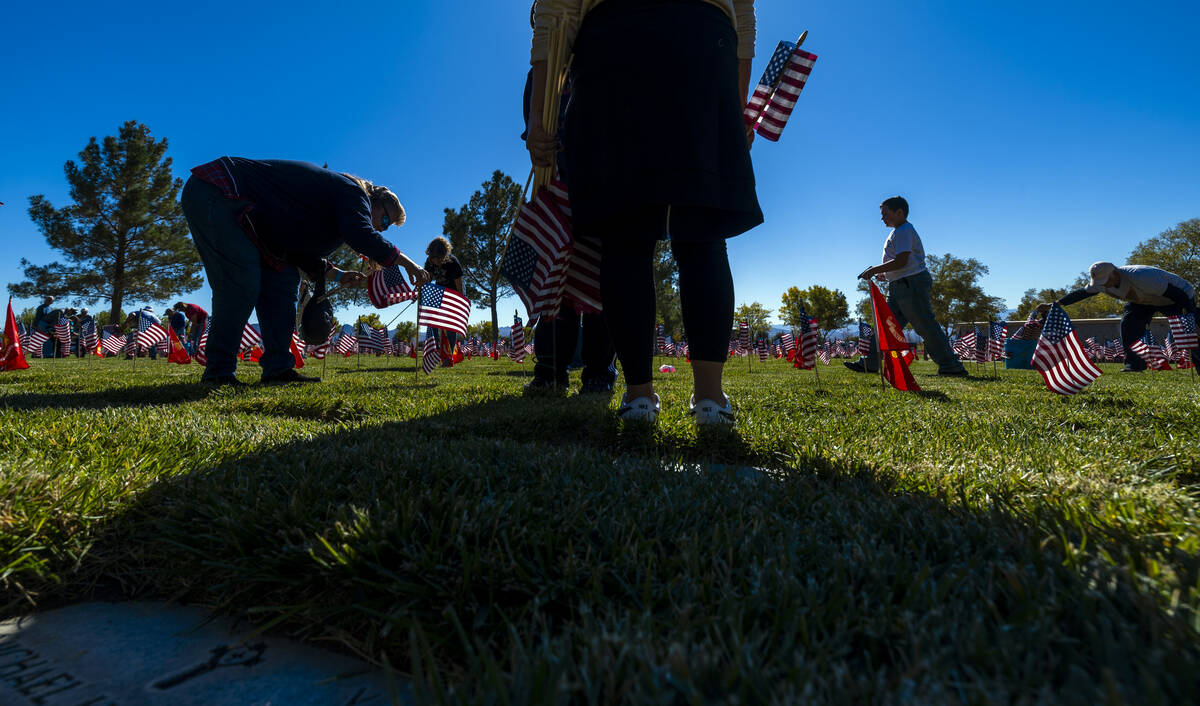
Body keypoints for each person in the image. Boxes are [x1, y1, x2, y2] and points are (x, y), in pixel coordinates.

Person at [527, 0, 761, 424]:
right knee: (698, 231)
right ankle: (708, 398)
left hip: (615, 45)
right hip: (702, 43)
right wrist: (735, 100)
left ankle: (640, 397)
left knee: (625, 235)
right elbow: (742, 13)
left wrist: (539, 114)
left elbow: (554, 14)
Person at [180, 157, 429, 385]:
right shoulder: (354, 193)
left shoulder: (338, 210)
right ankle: (219, 372)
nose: (383, 229)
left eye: (389, 227)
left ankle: (278, 369)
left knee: (283, 280)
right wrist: (408, 264)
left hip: (257, 226)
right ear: (375, 200)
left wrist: (339, 275)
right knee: (241, 280)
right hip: (219, 190)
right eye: (386, 220)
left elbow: (299, 253)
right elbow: (361, 234)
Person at [519, 50, 617, 394]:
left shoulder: (604, 52)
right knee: (554, 282)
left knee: (598, 279)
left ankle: (598, 372)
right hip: (556, 184)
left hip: (601, 180)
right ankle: (550, 371)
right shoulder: (542, 70)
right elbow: (533, 128)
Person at [845, 197, 968, 377]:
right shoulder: (898, 232)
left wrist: (873, 270)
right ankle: (870, 363)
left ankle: (952, 366)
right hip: (899, 284)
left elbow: (902, 261)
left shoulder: (904, 230)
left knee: (925, 326)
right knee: (884, 326)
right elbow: (900, 262)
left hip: (911, 283)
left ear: (900, 212)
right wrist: (885, 274)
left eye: (885, 214)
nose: (882, 218)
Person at [1037, 262, 1198, 371]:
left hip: (1173, 297)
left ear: (1115, 273)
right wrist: (1056, 304)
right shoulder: (1101, 283)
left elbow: (1177, 293)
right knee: (1128, 325)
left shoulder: (1142, 276)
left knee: (1189, 329)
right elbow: (1082, 293)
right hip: (1142, 301)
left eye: (1105, 281)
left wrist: (1190, 314)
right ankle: (1134, 365)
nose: (1102, 285)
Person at [423, 237, 464, 366]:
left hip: (454, 292)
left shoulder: (453, 262)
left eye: (438, 259)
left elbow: (460, 284)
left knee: (450, 327)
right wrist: (420, 294)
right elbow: (427, 281)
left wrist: (460, 302)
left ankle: (449, 356)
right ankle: (435, 353)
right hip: (438, 291)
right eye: (433, 258)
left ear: (444, 254)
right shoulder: (429, 262)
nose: (436, 262)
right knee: (431, 322)